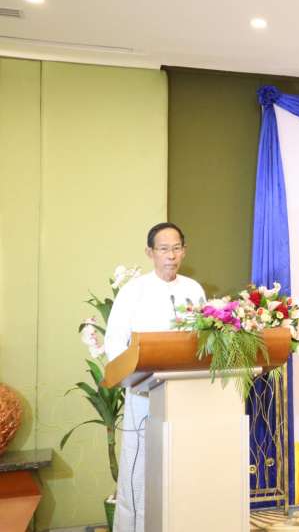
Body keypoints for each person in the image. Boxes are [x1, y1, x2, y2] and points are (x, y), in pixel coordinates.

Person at [104, 222, 206, 532]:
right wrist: (133, 378)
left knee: (181, 465)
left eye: (176, 248)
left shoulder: (193, 290)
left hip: (184, 395)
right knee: (141, 469)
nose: (171, 256)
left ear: (184, 251)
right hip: (143, 394)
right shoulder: (133, 292)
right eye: (163, 249)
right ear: (150, 253)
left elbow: (203, 339)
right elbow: (114, 343)